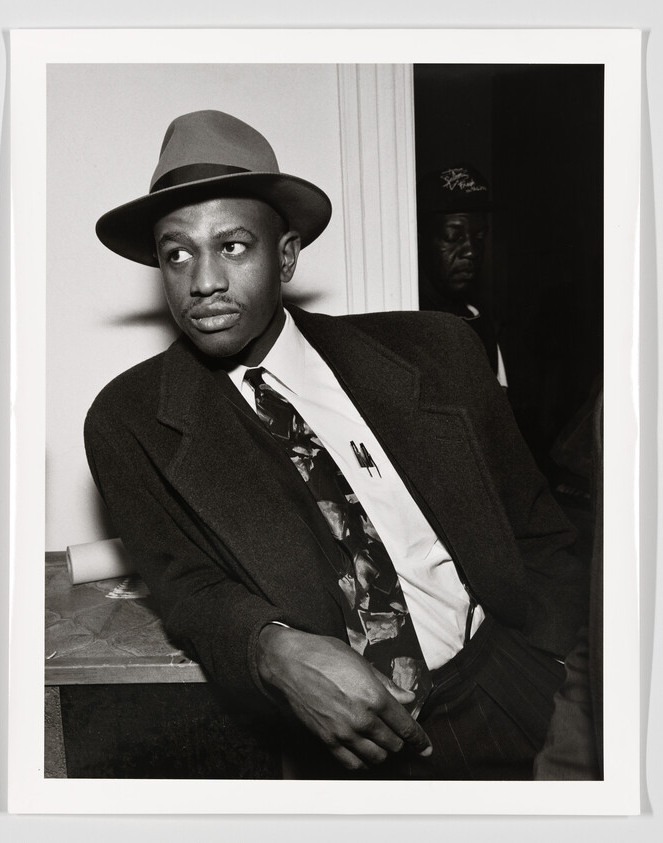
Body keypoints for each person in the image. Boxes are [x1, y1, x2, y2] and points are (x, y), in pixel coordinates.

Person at [86, 110, 587, 780]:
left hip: (513, 689)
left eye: (233, 245)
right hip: (348, 750)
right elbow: (187, 586)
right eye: (177, 253)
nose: (202, 280)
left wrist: (562, 681)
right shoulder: (131, 420)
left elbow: (540, 529)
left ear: (287, 254)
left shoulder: (436, 351)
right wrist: (270, 648)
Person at [417, 164, 506, 384]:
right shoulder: (406, 315)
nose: (471, 251)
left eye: (479, 236)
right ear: (419, 240)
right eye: (453, 236)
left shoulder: (479, 318)